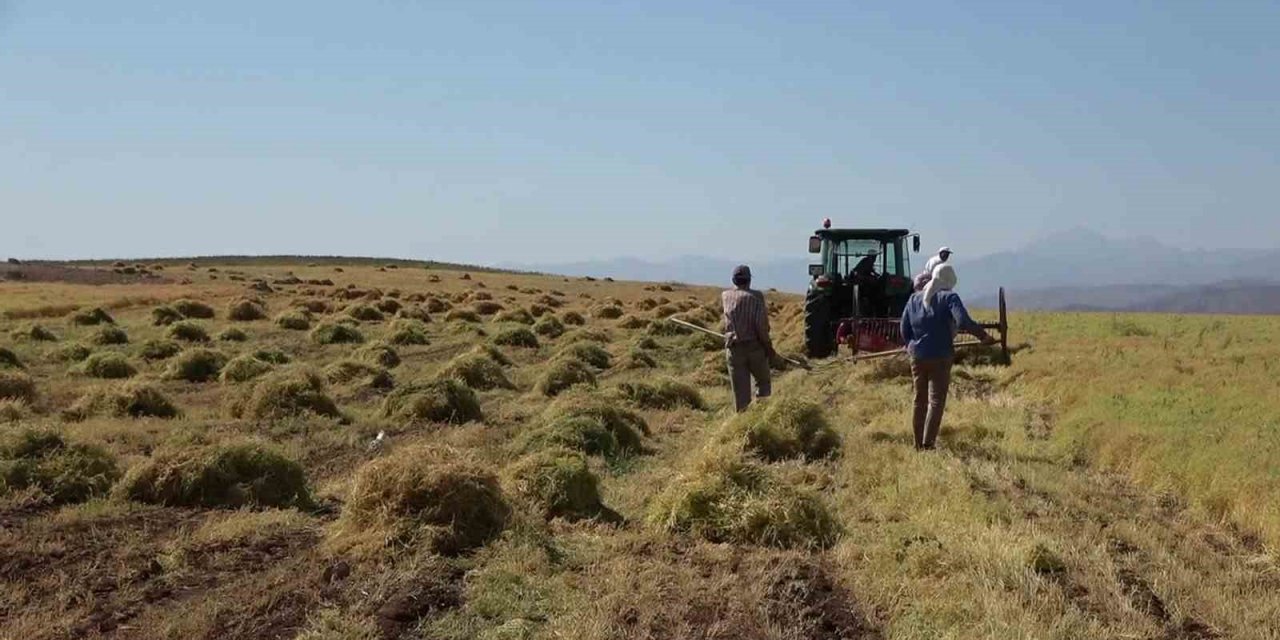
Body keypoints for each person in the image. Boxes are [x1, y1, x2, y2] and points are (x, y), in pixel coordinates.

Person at [899, 263, 995, 450]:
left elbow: (904, 329)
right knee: (936, 401)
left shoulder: (913, 299)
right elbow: (963, 321)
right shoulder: (949, 297)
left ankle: (917, 444)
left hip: (917, 357)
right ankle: (928, 444)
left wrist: (912, 346)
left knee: (919, 400)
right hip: (941, 356)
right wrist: (983, 336)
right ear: (950, 281)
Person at [722, 265, 774, 412]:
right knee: (763, 384)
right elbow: (761, 327)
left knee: (740, 392)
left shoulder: (725, 296)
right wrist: (769, 348)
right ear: (749, 280)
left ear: (734, 280)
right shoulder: (756, 297)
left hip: (734, 348)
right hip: (754, 348)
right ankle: (761, 415)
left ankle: (743, 423)